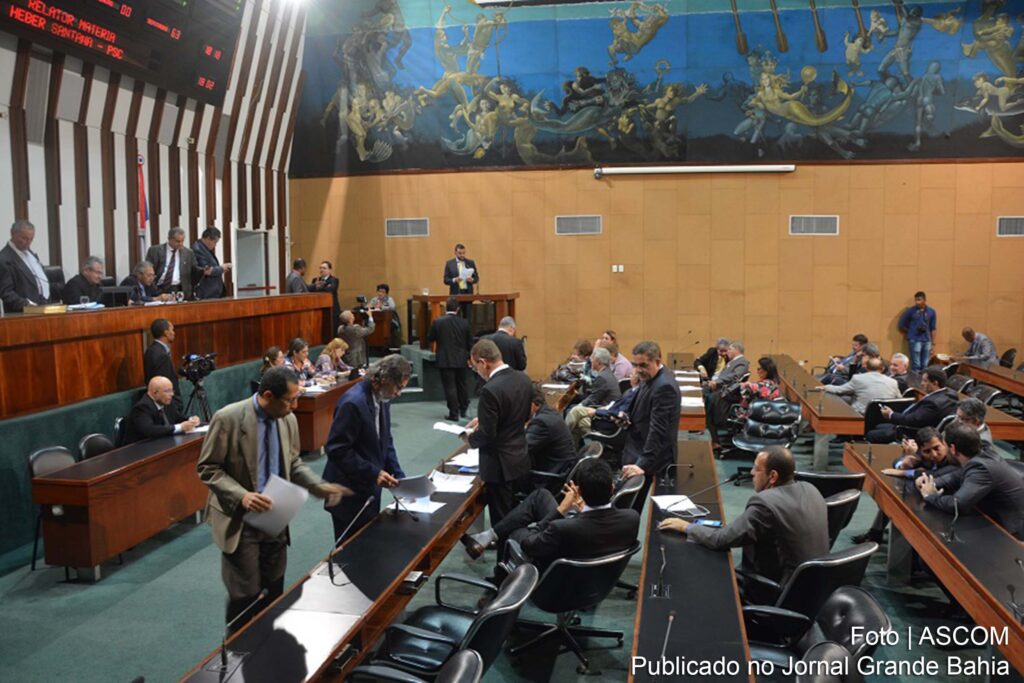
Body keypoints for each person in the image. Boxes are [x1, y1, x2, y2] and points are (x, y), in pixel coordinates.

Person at [196, 367, 348, 629]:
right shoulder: (228, 418)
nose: (295, 406)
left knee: (274, 588)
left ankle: (268, 649)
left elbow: (293, 462)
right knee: (245, 595)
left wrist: (319, 486)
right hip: (240, 519)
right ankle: (237, 656)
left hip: (276, 515)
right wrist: (242, 496)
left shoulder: (287, 419)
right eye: (290, 400)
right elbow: (208, 468)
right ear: (268, 395)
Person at [659, 446, 829, 599]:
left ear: (773, 476)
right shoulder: (811, 489)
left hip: (776, 590)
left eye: (756, 469)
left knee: (703, 567)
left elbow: (721, 540)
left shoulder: (765, 504)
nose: (752, 473)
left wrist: (686, 526)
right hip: (811, 588)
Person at [459, 459, 639, 576]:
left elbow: (529, 544)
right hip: (597, 574)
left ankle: (500, 588)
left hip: (556, 581)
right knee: (541, 496)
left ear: (580, 492)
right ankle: (487, 537)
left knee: (516, 529)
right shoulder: (631, 518)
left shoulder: (562, 528)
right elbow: (599, 526)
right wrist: (582, 511)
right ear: (612, 489)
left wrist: (561, 511)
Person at [323, 354, 412, 542]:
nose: (399, 393)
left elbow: (385, 441)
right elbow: (337, 449)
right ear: (384, 380)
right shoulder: (353, 402)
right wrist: (373, 473)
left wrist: (400, 478)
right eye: (398, 387)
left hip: (368, 488)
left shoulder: (381, 397)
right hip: (347, 492)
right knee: (349, 552)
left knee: (367, 545)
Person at [464, 338, 533, 525]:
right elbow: (524, 416)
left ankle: (504, 553)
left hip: (499, 466)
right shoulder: (524, 379)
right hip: (520, 459)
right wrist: (487, 418)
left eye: (475, 367)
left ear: (482, 362)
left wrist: (469, 439)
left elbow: (487, 434)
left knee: (501, 522)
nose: (477, 372)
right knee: (517, 517)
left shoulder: (490, 390)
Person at [851, 426, 958, 544]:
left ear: (944, 443)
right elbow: (896, 461)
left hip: (946, 502)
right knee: (893, 496)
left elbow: (935, 474)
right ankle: (875, 533)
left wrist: (904, 472)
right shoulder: (922, 454)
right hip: (923, 492)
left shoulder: (954, 458)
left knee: (902, 499)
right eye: (927, 451)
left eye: (937, 448)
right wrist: (904, 463)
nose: (934, 454)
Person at [918, 422, 1024, 540]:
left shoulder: (981, 468)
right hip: (993, 518)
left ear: (952, 448)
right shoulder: (982, 453)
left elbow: (957, 504)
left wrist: (930, 496)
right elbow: (957, 475)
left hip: (1010, 531)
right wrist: (931, 482)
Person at [621, 341, 681, 512]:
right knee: (630, 508)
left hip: (651, 456)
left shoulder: (664, 386)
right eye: (635, 365)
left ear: (657, 361)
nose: (638, 370)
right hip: (639, 447)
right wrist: (626, 419)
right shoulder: (651, 377)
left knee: (632, 508)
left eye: (643, 365)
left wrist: (642, 465)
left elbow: (659, 431)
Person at [866, 367, 956, 443]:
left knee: (871, 434)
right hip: (918, 427)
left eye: (925, 381)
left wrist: (891, 414)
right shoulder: (951, 394)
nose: (921, 384)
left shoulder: (933, 403)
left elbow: (911, 420)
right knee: (879, 426)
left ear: (935, 383)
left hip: (910, 433)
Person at [709, 356, 780, 449]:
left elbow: (750, 390)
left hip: (750, 414)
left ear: (766, 370)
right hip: (758, 413)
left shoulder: (766, 384)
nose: (758, 371)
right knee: (716, 403)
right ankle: (716, 440)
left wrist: (745, 385)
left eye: (759, 369)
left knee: (712, 409)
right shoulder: (772, 383)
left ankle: (715, 442)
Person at [428, 297, 473, 420]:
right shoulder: (465, 323)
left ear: (446, 308)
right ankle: (464, 410)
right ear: (458, 309)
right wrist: (469, 357)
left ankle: (454, 413)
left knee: (450, 387)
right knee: (462, 385)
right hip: (461, 359)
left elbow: (430, 338)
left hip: (444, 359)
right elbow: (470, 343)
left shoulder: (437, 322)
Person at [564, 347, 622, 443]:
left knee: (575, 411)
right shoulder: (607, 373)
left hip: (605, 415)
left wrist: (579, 405)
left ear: (598, 362)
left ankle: (562, 438)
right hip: (604, 411)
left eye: (593, 359)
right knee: (580, 421)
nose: (591, 361)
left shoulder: (602, 377)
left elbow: (593, 400)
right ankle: (573, 450)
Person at [123, 376, 200, 444]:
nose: (172, 394)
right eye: (167, 391)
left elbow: (177, 417)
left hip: (164, 443)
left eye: (172, 390)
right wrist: (180, 427)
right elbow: (150, 430)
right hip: (140, 450)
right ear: (155, 392)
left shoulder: (166, 400)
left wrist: (191, 420)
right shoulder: (142, 407)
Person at [814, 357, 901, 415]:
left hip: (861, 413)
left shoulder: (858, 378)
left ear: (866, 368)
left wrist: (826, 387)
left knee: (834, 400)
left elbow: (840, 390)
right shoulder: (893, 382)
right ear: (882, 369)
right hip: (883, 414)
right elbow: (900, 400)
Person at [525, 384, 579, 475]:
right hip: (562, 467)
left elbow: (522, 449)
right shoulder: (549, 412)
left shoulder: (541, 422)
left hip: (550, 475)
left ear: (532, 404)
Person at [0, 219, 51, 311]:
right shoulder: (4, 259)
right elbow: (6, 292)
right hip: (22, 313)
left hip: (42, 306)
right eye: (24, 238)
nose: (28, 242)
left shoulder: (30, 253)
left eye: (31, 239)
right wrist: (26, 304)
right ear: (12, 233)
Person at [146, 227, 199, 299]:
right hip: (159, 287)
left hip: (178, 289)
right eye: (177, 241)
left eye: (182, 241)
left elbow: (195, 270)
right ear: (169, 239)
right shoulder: (155, 251)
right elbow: (147, 270)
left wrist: (203, 271)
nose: (180, 244)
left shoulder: (188, 253)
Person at [144, 318, 182, 411]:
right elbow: (163, 385)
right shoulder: (161, 355)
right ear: (166, 332)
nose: (174, 333)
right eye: (172, 330)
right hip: (166, 406)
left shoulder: (151, 350)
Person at [898, 291, 937, 372]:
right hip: (915, 339)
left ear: (924, 300)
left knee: (925, 364)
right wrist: (910, 332)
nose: (917, 302)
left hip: (927, 340)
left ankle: (924, 380)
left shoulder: (931, 312)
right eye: (916, 300)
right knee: (916, 364)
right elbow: (901, 324)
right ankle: (916, 381)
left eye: (919, 300)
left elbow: (933, 328)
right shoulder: (910, 311)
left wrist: (933, 343)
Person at [192, 227, 232, 299]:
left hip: (214, 292)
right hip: (207, 293)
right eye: (215, 242)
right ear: (208, 238)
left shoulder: (204, 249)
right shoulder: (198, 249)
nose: (215, 245)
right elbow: (206, 270)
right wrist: (221, 268)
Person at [311, 261, 341, 334]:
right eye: (320, 268)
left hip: (332, 310)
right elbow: (312, 291)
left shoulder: (334, 280)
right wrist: (322, 287)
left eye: (324, 268)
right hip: (320, 309)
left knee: (332, 332)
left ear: (329, 270)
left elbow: (330, 290)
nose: (322, 270)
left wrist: (319, 288)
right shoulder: (315, 280)